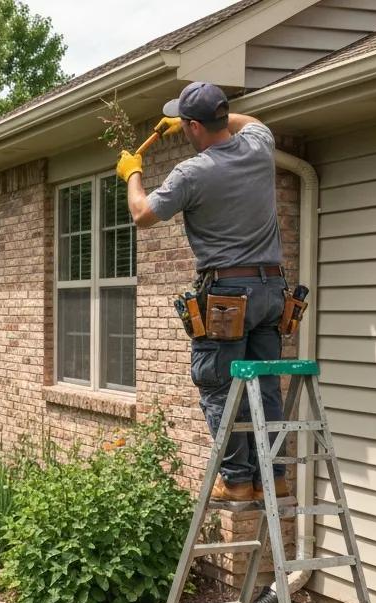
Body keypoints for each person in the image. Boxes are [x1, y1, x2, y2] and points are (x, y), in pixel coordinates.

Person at [116, 81, 289, 503]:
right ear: (220, 117)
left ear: (193, 126)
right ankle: (275, 476)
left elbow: (141, 214)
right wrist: (204, 117)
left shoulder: (193, 172)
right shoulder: (258, 146)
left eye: (186, 123)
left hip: (228, 295)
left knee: (218, 386)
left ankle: (235, 481)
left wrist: (132, 172)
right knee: (264, 385)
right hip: (273, 290)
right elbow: (252, 121)